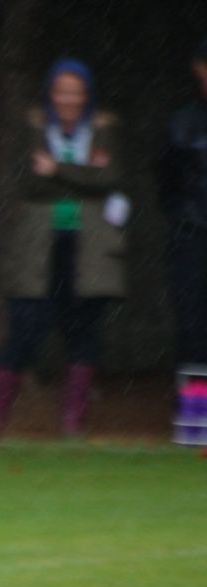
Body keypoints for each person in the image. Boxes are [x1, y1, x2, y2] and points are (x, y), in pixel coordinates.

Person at [0, 58, 125, 440]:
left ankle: (72, 422)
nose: (68, 99)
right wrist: (83, 176)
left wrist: (57, 170)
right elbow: (29, 184)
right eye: (61, 91)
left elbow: (109, 180)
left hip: (88, 246)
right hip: (38, 246)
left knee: (83, 331)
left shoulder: (104, 128)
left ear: (87, 94)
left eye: (75, 91)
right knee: (25, 328)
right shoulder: (32, 126)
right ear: (50, 93)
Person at [156, 37, 207, 372]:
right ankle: (196, 418)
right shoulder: (180, 123)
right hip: (191, 238)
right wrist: (186, 218)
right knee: (193, 330)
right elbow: (166, 182)